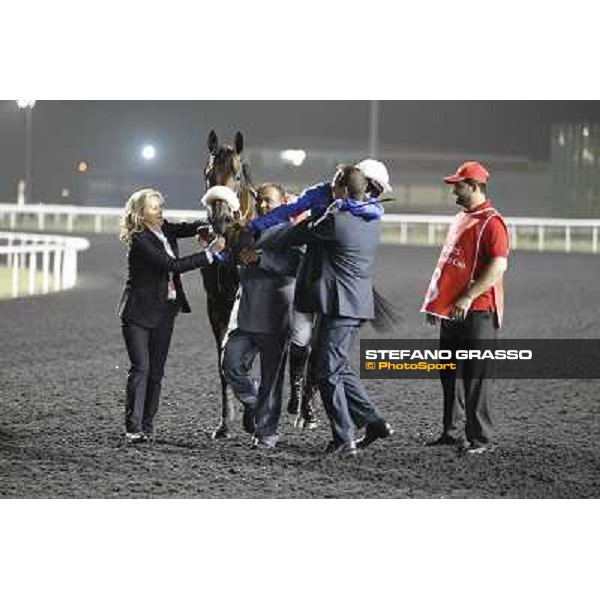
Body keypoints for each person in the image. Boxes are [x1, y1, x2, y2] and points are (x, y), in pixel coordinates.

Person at [246, 159, 392, 430]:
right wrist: (257, 226)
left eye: (375, 191)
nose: (372, 195)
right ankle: (304, 392)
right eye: (371, 187)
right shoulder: (343, 204)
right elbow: (290, 211)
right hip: (316, 283)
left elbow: (296, 233)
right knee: (307, 343)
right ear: (357, 184)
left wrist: (255, 234)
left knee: (328, 365)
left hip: (334, 290)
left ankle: (342, 430)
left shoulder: (349, 214)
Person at [283, 166, 393, 455]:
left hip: (341, 305)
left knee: (326, 371)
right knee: (338, 366)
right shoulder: (370, 216)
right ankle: (373, 421)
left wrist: (321, 210)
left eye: (334, 185)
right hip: (354, 303)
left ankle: (345, 437)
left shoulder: (336, 220)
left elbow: (297, 235)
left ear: (343, 189)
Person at [117, 188, 226, 443]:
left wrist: (209, 224)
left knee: (156, 372)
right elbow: (172, 266)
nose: (160, 211)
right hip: (138, 313)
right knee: (140, 369)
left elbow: (187, 227)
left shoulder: (164, 228)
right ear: (140, 213)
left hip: (166, 311)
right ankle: (133, 428)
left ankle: (147, 426)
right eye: (154, 207)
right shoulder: (140, 239)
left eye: (160, 205)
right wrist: (210, 252)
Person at [421, 161, 510, 455]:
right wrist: (437, 304)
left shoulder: (492, 222)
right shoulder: (462, 217)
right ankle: (451, 432)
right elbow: (448, 265)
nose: (453, 191)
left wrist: (469, 296)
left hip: (479, 312)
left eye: (458, 185)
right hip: (453, 313)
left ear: (473, 186)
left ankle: (480, 438)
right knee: (449, 373)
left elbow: (499, 265)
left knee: (475, 378)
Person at [222, 183, 303, 449]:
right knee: (230, 362)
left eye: (269, 201)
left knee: (273, 378)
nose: (263, 205)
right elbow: (234, 259)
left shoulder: (291, 231)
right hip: (244, 315)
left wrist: (262, 259)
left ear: (283, 203)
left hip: (275, 316)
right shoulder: (247, 229)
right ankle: (257, 403)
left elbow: (298, 265)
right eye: (260, 201)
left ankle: (266, 433)